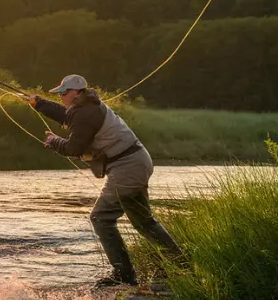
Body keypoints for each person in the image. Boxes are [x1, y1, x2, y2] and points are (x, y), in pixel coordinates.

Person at [27, 74, 182, 287]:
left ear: (77, 93)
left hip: (127, 167)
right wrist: (40, 104)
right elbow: (66, 115)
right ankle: (181, 265)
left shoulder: (86, 113)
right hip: (135, 162)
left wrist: (54, 141)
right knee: (143, 221)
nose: (61, 96)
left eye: (64, 93)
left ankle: (124, 275)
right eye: (60, 93)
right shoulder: (87, 106)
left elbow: (74, 148)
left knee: (101, 218)